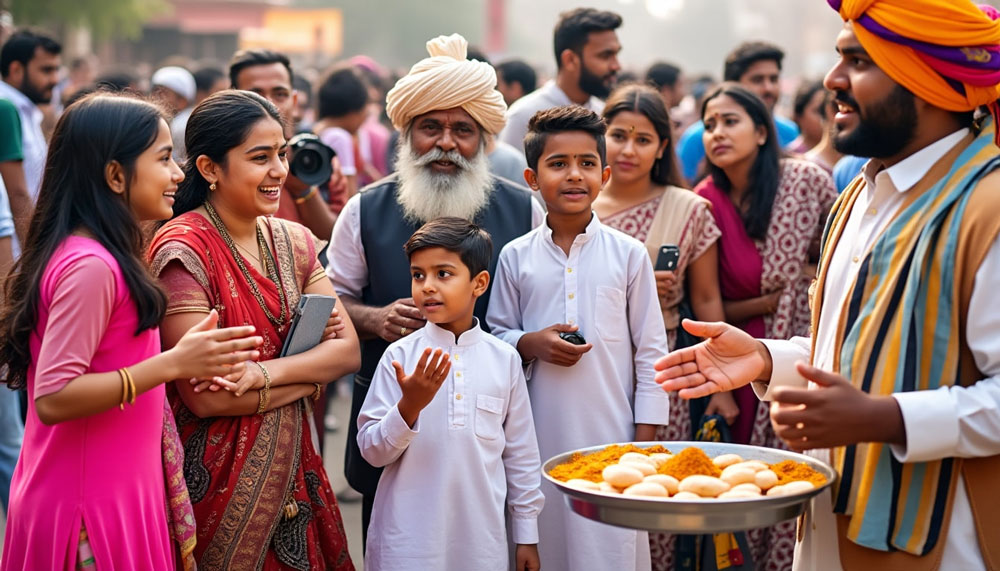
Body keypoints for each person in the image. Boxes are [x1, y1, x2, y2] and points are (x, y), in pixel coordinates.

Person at [658, 1, 1000, 568]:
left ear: (928, 81)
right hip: (829, 527)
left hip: (944, 548)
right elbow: (856, 353)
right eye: (840, 57)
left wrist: (887, 418)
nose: (831, 80)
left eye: (859, 61)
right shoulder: (860, 196)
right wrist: (766, 360)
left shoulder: (987, 209)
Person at [0, 92, 263, 570]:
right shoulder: (91, 267)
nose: (178, 174)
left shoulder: (104, 256)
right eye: (164, 159)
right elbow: (55, 396)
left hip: (110, 495)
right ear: (116, 175)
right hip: (88, 515)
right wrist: (173, 363)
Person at [327, 32, 543, 548]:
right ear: (406, 134)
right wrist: (374, 319)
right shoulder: (365, 209)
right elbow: (327, 300)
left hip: (491, 433)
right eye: (430, 128)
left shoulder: (525, 210)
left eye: (463, 130)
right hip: (389, 428)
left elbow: (539, 313)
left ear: (485, 140)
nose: (446, 143)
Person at [149, 90, 359, 569]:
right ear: (209, 168)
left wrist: (263, 376)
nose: (279, 171)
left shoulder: (295, 239)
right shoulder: (183, 251)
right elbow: (205, 396)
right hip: (212, 479)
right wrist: (308, 378)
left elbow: (346, 353)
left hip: (296, 473)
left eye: (282, 154)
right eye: (260, 157)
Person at [487, 105, 669, 571]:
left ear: (604, 174)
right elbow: (495, 337)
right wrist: (530, 344)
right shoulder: (515, 257)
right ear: (532, 177)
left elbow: (652, 353)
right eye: (558, 164)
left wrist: (641, 447)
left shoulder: (629, 256)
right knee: (544, 547)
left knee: (608, 552)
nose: (574, 175)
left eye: (587, 163)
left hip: (615, 442)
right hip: (534, 441)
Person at [693, 82, 836, 569]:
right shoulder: (704, 201)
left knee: (798, 477)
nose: (717, 133)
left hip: (804, 349)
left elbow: (838, 264)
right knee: (746, 484)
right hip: (740, 358)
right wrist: (760, 302)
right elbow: (708, 298)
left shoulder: (807, 181)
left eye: (730, 121)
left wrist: (799, 291)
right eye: (709, 124)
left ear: (761, 131)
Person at [591, 83, 730, 569]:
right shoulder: (573, 204)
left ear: (663, 147)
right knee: (590, 486)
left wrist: (721, 383)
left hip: (661, 366)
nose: (628, 150)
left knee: (653, 489)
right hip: (584, 367)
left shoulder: (687, 208)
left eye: (643, 139)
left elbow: (708, 297)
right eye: (618, 135)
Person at [357, 217, 543, 570]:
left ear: (479, 283)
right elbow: (372, 452)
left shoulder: (504, 360)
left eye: (443, 274)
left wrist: (526, 535)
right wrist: (408, 408)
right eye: (418, 275)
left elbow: (521, 457)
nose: (427, 286)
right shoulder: (399, 356)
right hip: (407, 545)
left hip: (480, 545)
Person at [229, 48, 344, 239]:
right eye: (255, 94)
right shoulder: (222, 162)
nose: (269, 104)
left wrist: (304, 188)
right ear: (232, 99)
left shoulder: (318, 158)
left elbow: (338, 236)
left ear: (295, 100)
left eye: (280, 94)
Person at [498, 8, 622, 150]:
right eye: (605, 55)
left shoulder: (604, 116)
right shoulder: (522, 117)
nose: (616, 66)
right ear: (570, 60)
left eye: (616, 54)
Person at [677, 41, 800, 183]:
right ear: (733, 86)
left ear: (761, 133)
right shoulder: (696, 139)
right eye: (757, 80)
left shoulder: (789, 132)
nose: (768, 88)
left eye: (773, 79)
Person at [0, 29, 60, 246]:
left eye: (56, 70)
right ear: (16, 70)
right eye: (46, 70)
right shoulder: (5, 109)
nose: (55, 79)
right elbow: (17, 194)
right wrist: (34, 261)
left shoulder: (26, 109)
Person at [314, 64, 372, 199]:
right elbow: (348, 195)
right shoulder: (340, 138)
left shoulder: (318, 131)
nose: (365, 117)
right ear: (353, 110)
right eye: (365, 109)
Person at [788, 80, 828, 154]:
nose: (826, 117)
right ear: (798, 116)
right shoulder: (791, 158)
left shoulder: (842, 157)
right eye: (819, 111)